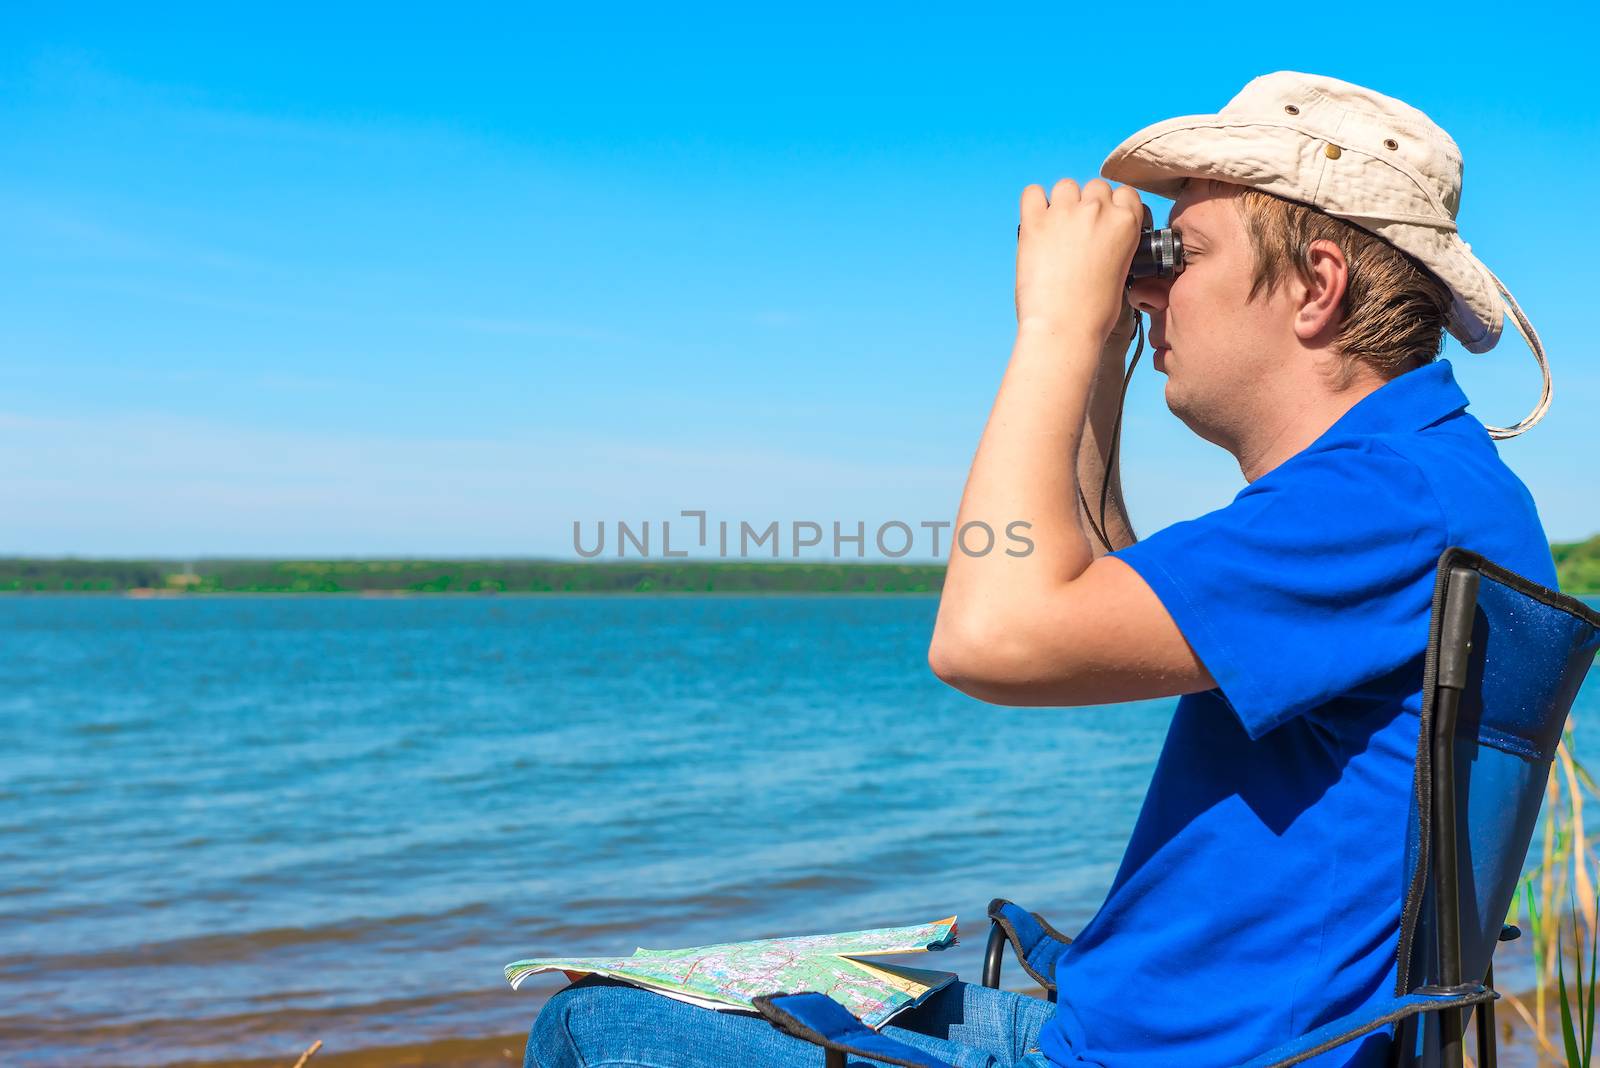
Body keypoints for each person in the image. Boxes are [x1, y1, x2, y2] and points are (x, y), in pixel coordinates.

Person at [525, 71, 1556, 1068]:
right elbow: (1096, 591)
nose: (1151, 286)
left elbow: (992, 637)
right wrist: (1101, 355)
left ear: (1315, 287)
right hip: (1139, 1032)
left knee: (594, 1028)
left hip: (1145, 1058)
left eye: (1181, 253)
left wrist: (1053, 326)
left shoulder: (1384, 499)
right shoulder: (1419, 482)